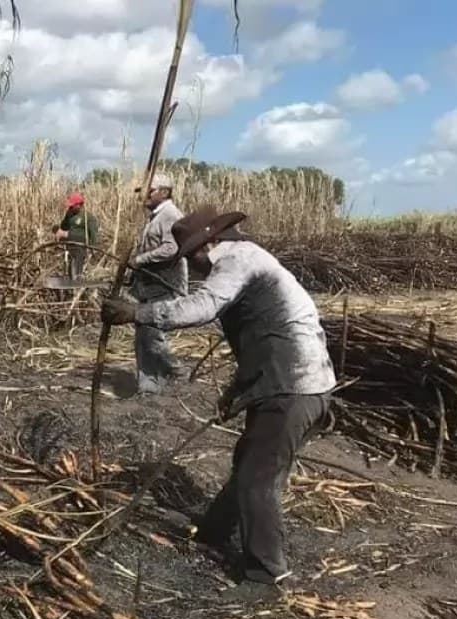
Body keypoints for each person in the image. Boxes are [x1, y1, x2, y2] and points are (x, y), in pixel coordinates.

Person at [100, 208, 336, 589]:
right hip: (292, 382)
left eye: (191, 258)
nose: (193, 269)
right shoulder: (249, 260)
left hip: (294, 387)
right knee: (248, 463)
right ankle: (213, 531)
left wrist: (137, 312)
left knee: (257, 480)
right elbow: (261, 339)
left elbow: (202, 307)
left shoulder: (238, 260)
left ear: (206, 245)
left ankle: (266, 576)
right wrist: (237, 392)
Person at [129, 174, 186, 394]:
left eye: (149, 191)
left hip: (165, 283)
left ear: (164, 192)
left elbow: (171, 249)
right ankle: (148, 385)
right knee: (142, 335)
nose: (144, 196)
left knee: (153, 335)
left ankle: (175, 371)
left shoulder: (170, 215)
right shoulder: (155, 217)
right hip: (150, 284)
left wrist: (140, 260)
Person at [54, 192, 98, 281]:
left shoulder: (89, 217)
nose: (70, 207)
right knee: (55, 229)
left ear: (79, 205)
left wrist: (92, 249)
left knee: (78, 252)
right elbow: (63, 226)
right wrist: (58, 230)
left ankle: (78, 276)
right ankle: (66, 271)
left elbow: (93, 235)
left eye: (72, 206)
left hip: (81, 241)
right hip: (70, 241)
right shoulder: (69, 213)